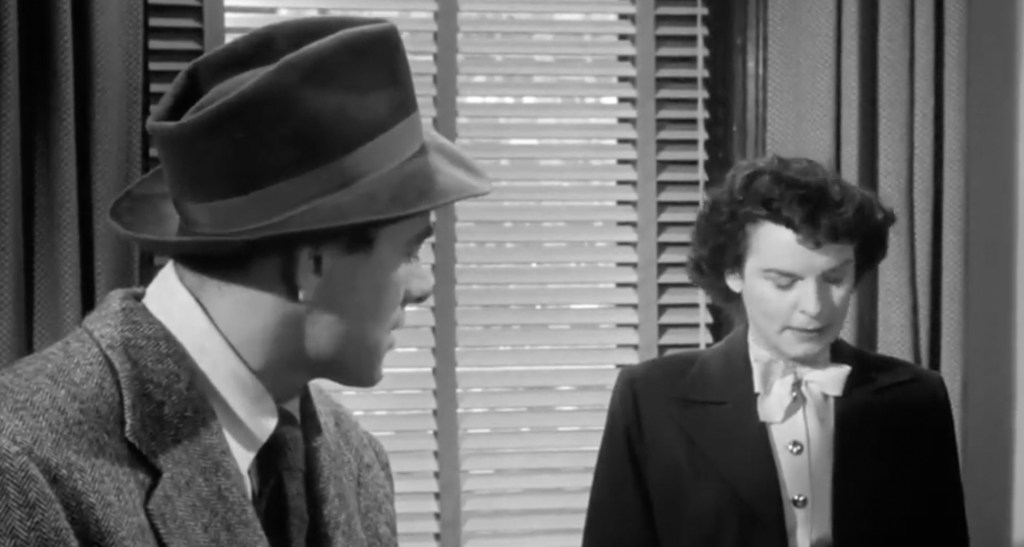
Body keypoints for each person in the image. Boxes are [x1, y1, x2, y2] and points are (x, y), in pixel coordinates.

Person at [0, 16, 489, 547]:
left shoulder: (356, 462)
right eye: (411, 250)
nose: (422, 286)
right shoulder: (25, 468)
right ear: (313, 263)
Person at [581, 156, 968, 547]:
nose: (814, 307)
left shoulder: (915, 399)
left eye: (835, 279)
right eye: (784, 282)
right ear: (734, 273)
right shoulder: (650, 398)